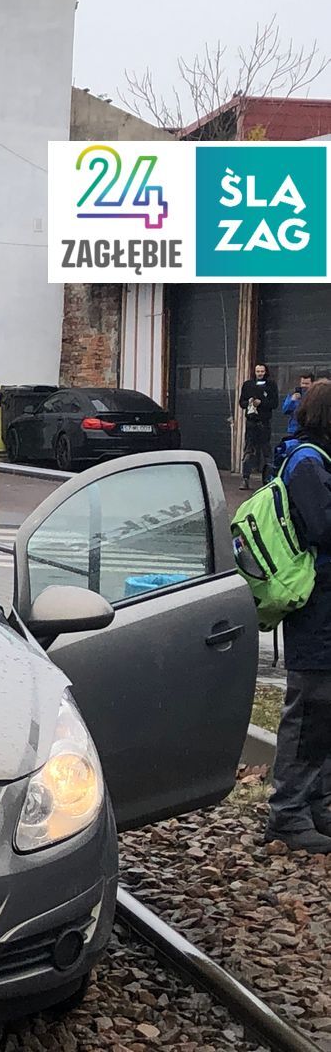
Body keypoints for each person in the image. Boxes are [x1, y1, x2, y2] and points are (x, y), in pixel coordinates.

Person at [266, 382, 331, 852]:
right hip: (317, 604)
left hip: (324, 602)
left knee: (324, 710)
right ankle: (288, 813)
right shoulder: (307, 462)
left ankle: (317, 805)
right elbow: (322, 527)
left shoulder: (316, 459)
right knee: (308, 709)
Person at [239, 363, 280, 490]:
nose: (260, 373)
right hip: (251, 423)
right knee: (248, 452)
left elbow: (274, 403)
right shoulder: (247, 385)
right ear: (254, 372)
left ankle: (268, 479)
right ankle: (245, 479)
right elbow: (242, 402)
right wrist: (249, 403)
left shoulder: (271, 385)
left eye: (262, 371)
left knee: (266, 452)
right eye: (258, 371)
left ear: (265, 371)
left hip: (264, 423)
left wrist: (261, 403)